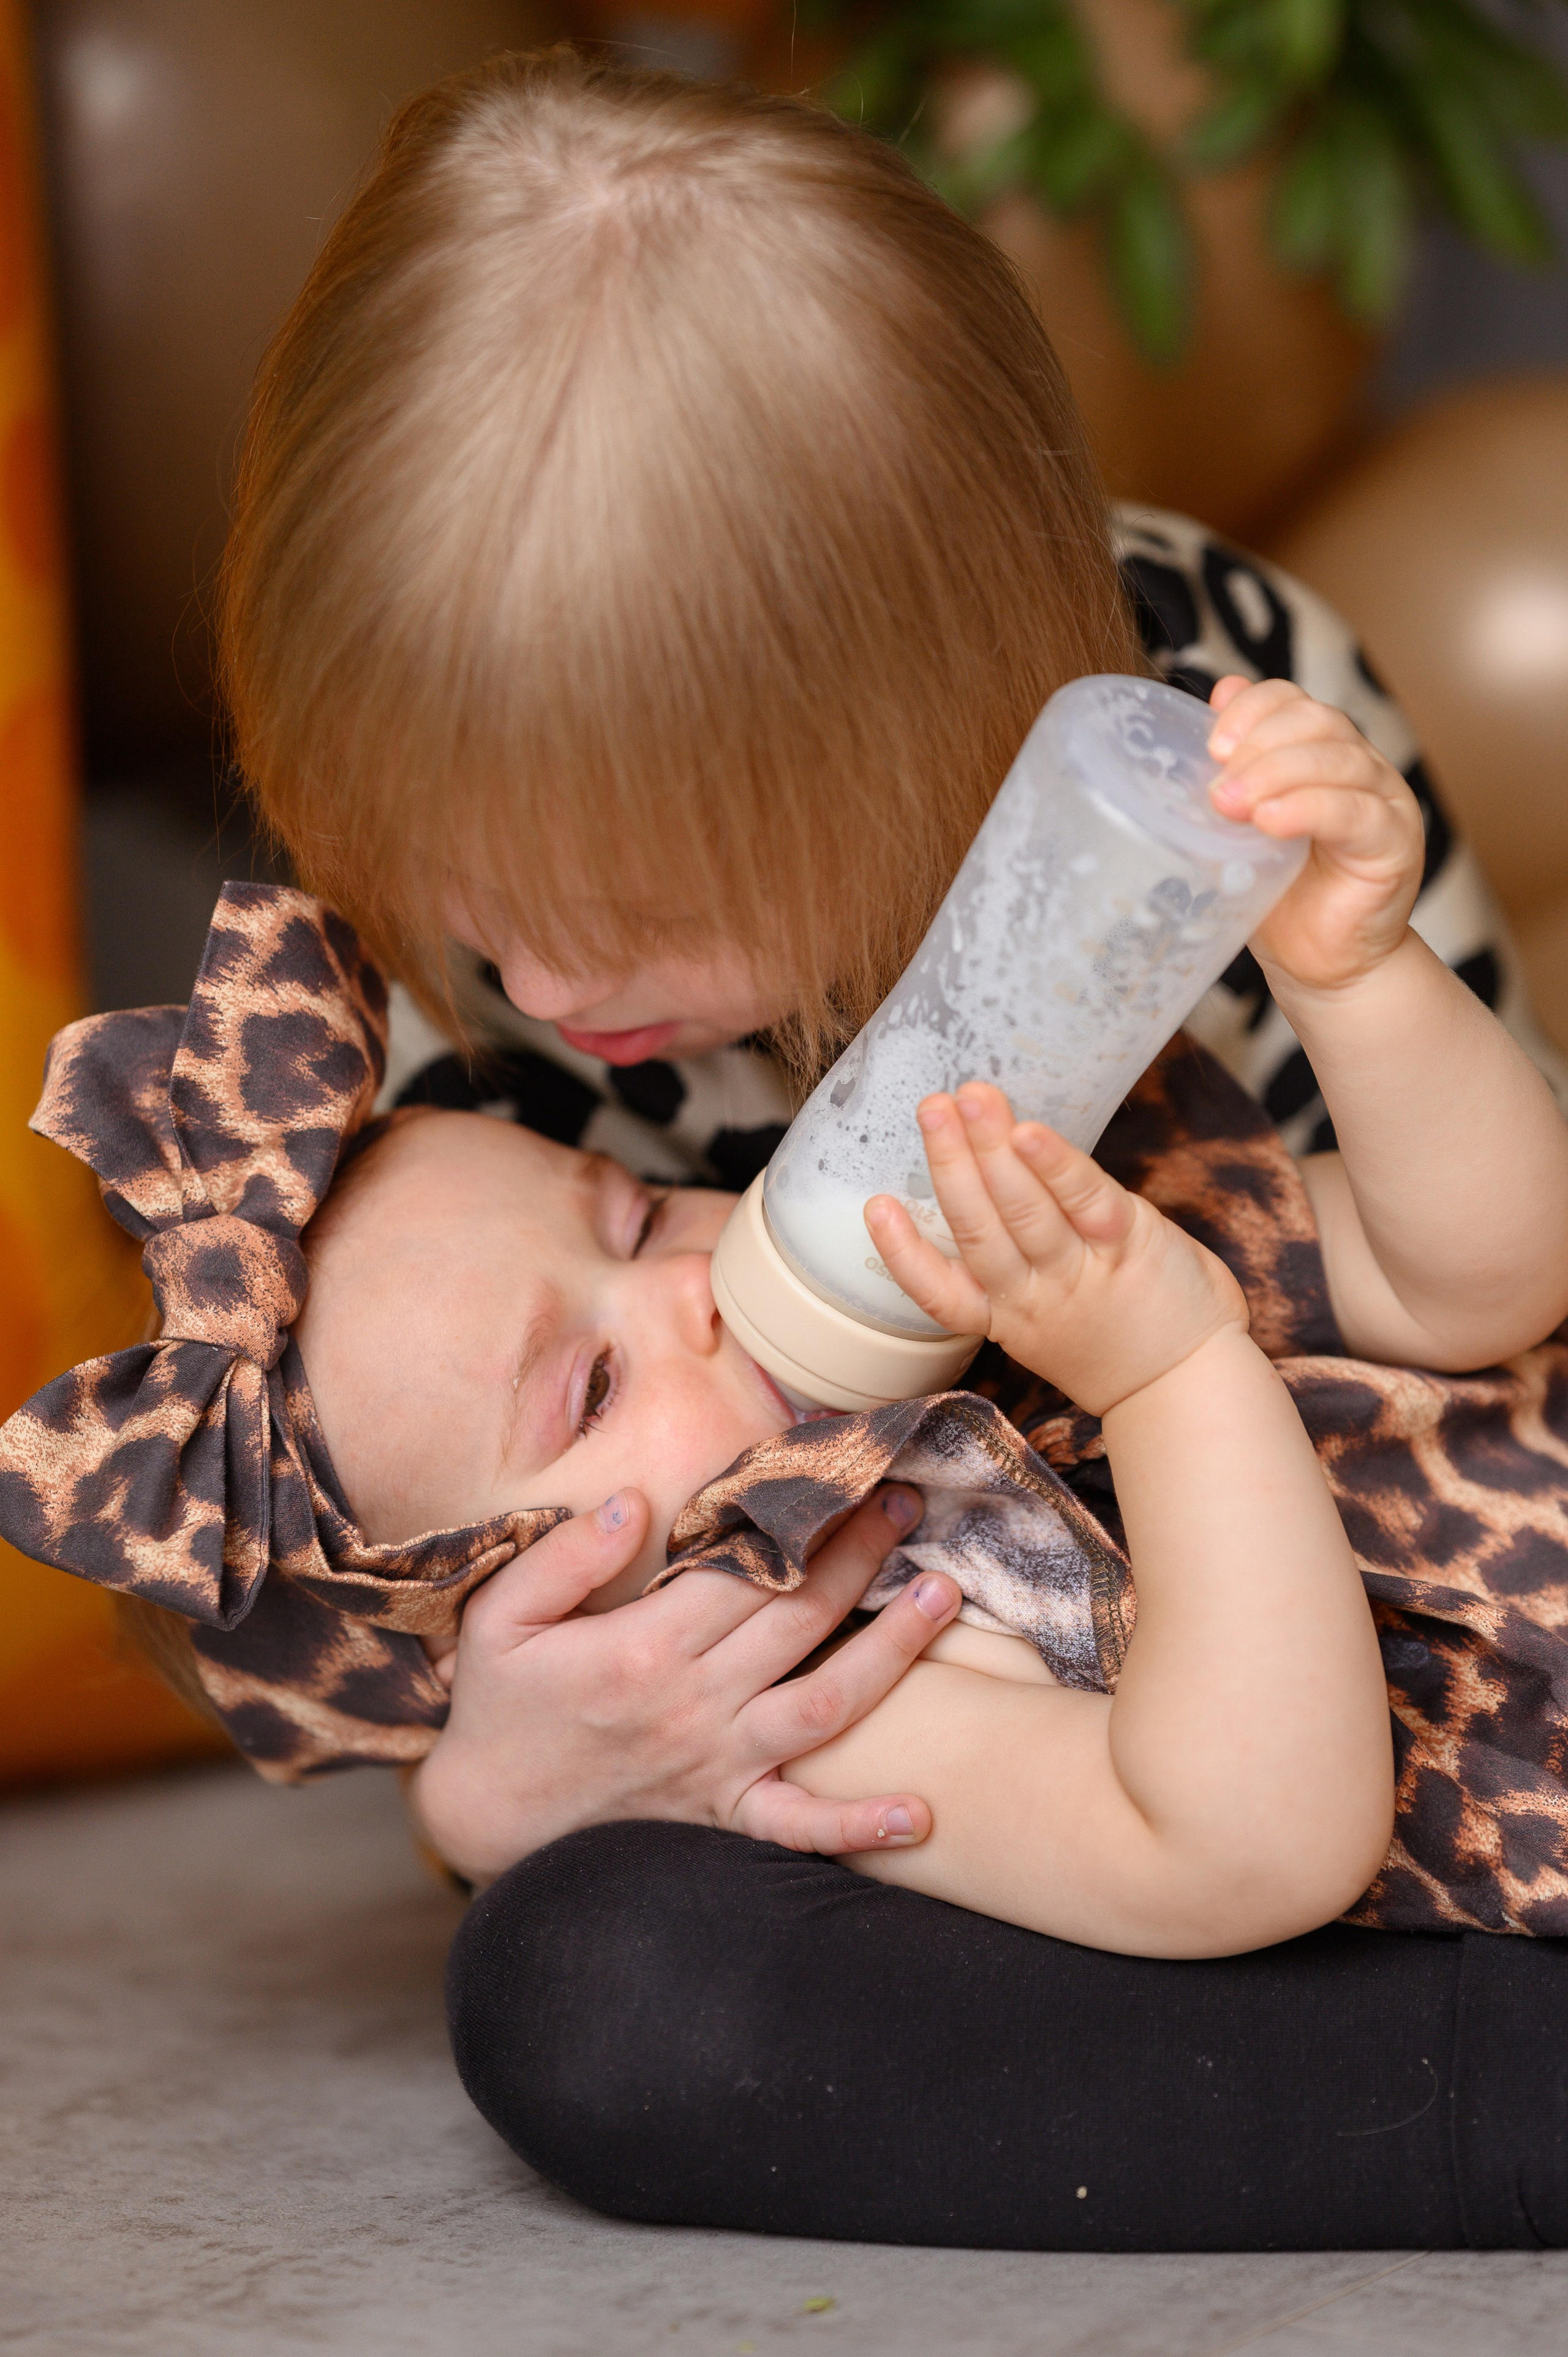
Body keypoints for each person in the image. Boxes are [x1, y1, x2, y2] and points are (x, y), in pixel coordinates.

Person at [205, 48, 1568, 2243]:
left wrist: (1351, 968)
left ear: (939, 720)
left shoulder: (1198, 759)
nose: (545, 986)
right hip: (1101, 1780)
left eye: (648, 894)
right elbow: (430, 1487)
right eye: (457, 888)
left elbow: (1481, 1290)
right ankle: (1482, 2090)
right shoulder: (468, 1024)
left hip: (1414, 1610)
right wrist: (491, 1787)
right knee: (592, 1981)